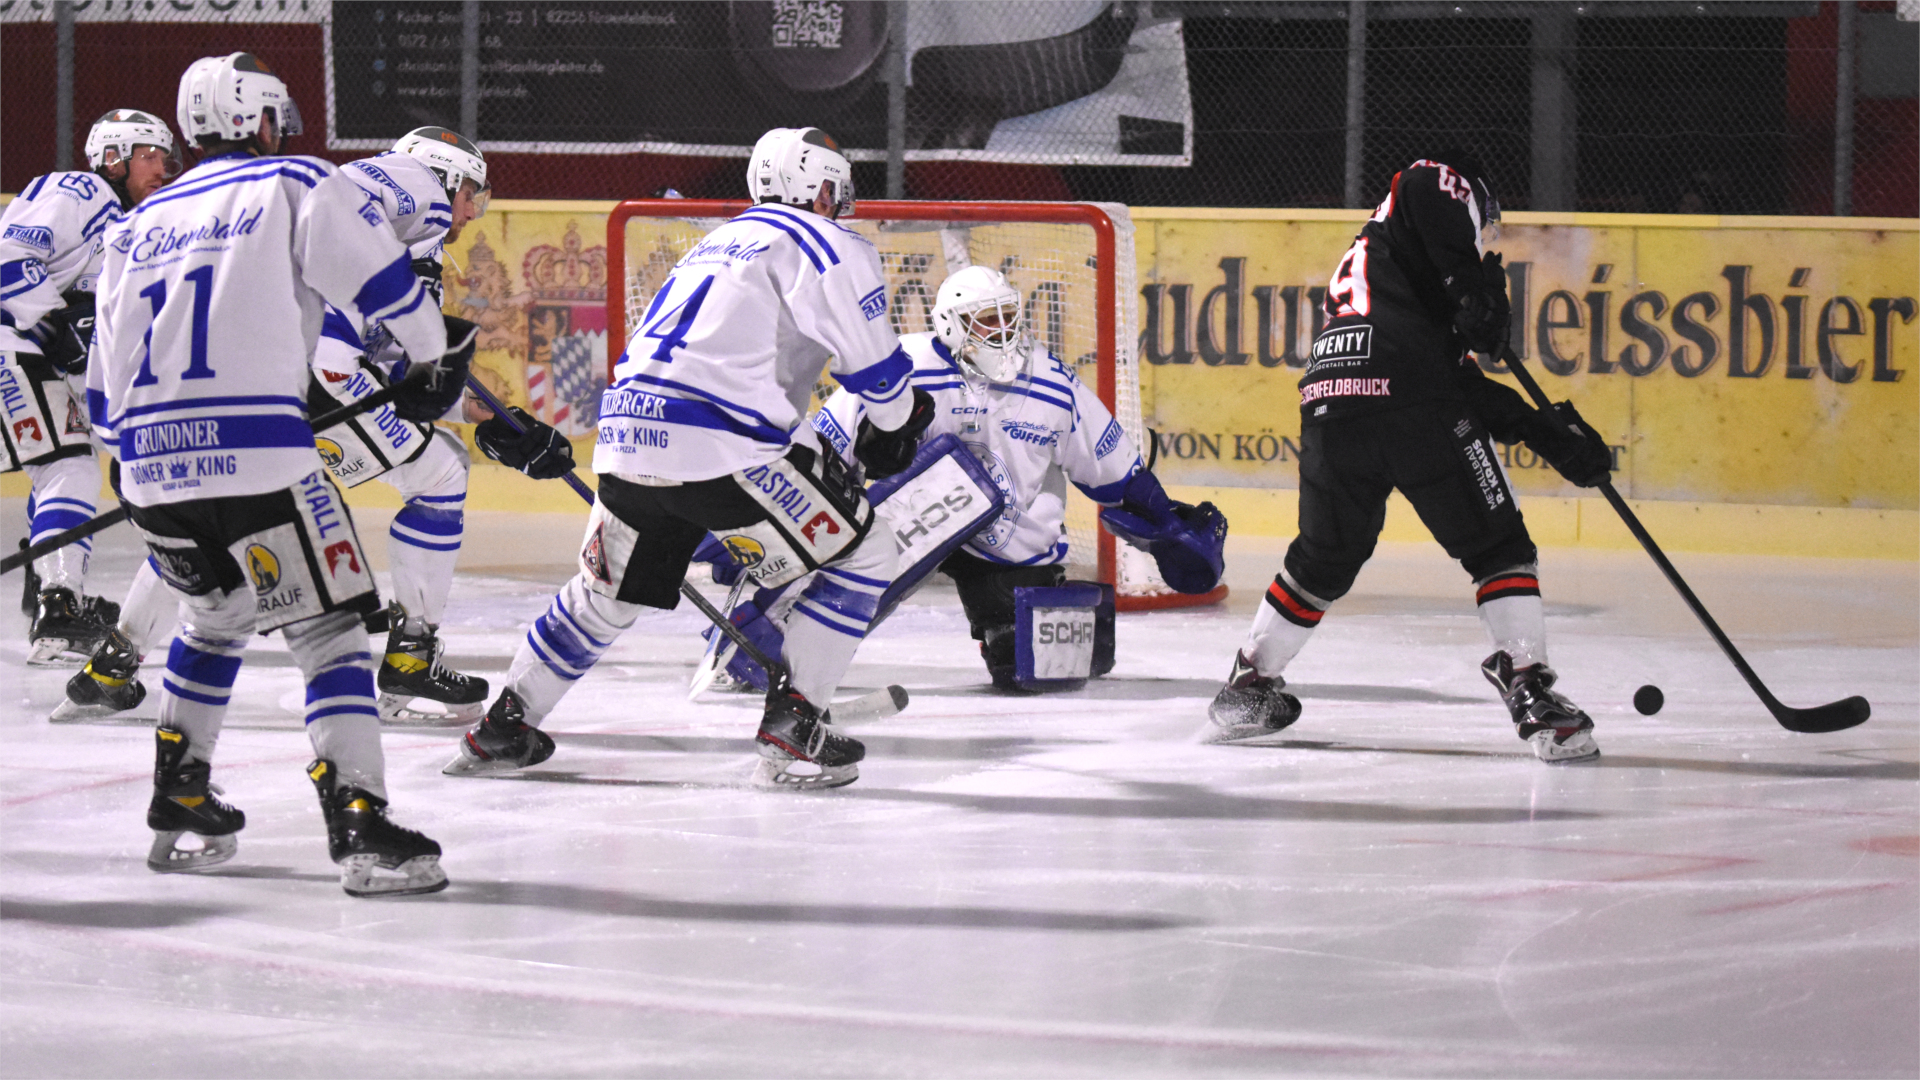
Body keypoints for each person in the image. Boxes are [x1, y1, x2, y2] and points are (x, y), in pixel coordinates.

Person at [443, 126, 920, 790]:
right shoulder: (824, 240)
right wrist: (899, 425)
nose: (840, 203)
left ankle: (504, 726)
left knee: (603, 596)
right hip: (725, 443)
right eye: (836, 190)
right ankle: (798, 725)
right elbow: (877, 373)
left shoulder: (713, 244)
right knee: (867, 552)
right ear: (820, 188)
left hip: (626, 440)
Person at [89, 53, 454, 895]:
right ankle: (359, 820)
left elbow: (105, 396)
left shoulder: (135, 225)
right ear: (257, 119)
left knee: (214, 620)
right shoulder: (293, 180)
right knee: (327, 635)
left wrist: (155, 464)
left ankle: (180, 792)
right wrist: (429, 356)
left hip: (148, 467)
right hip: (262, 457)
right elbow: (387, 291)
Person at [56, 126, 527, 725]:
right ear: (445, 174)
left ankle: (114, 662)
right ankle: (410, 654)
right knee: (440, 476)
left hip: (247, 385)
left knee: (209, 516)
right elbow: (391, 345)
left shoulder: (210, 214)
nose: (470, 213)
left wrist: (465, 410)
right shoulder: (417, 186)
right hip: (319, 373)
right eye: (471, 195)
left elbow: (389, 353)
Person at [1206, 153, 1613, 763]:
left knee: (1320, 562)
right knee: (1498, 549)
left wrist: (1546, 433)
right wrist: (1467, 282)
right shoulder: (1436, 188)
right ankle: (1529, 687)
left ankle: (1248, 683)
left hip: (1329, 399)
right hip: (1408, 401)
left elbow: (1451, 384)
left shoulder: (1392, 276)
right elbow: (1423, 179)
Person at [708, 264, 1225, 693]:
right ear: (949, 325)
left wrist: (1164, 520)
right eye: (984, 320)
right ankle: (779, 624)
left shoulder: (1049, 382)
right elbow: (823, 449)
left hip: (1007, 543)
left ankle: (998, 629)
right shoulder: (900, 367)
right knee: (858, 561)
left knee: (1033, 673)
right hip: (901, 526)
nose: (1000, 332)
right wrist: (766, 527)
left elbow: (1111, 467)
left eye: (1007, 317)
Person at [3, 109, 179, 664]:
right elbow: (9, 255)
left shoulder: (133, 224)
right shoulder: (77, 189)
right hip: (14, 341)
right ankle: (59, 607)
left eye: (164, 156)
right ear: (112, 158)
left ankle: (47, 587)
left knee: (60, 464)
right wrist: (54, 323)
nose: (161, 167)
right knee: (68, 466)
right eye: (147, 155)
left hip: (30, 351)